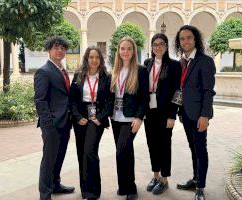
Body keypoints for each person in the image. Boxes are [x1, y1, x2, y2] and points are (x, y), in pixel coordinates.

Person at [174, 25, 216, 200]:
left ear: (195, 39)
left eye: (189, 37)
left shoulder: (205, 61)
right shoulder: (182, 62)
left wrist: (205, 115)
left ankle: (200, 187)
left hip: (199, 115)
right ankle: (195, 178)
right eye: (182, 38)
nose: (185, 41)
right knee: (193, 148)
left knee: (200, 149)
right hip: (186, 113)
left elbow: (208, 91)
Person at [34, 36, 75, 200]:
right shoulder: (44, 71)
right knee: (49, 159)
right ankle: (45, 194)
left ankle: (55, 184)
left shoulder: (62, 70)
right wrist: (48, 123)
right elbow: (39, 100)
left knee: (59, 156)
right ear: (49, 50)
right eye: (56, 47)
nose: (60, 50)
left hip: (65, 122)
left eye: (62, 48)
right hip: (52, 125)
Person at [108, 36, 149, 200]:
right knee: (125, 152)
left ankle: (131, 189)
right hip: (115, 118)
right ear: (118, 51)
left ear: (134, 51)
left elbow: (145, 97)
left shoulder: (140, 70)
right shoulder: (115, 70)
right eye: (122, 48)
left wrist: (139, 118)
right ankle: (123, 186)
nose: (125, 51)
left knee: (121, 151)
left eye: (129, 49)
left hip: (130, 118)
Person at [70, 46, 111, 200]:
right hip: (81, 116)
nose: (94, 60)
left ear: (100, 60)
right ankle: (85, 190)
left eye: (97, 57)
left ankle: (94, 190)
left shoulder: (106, 76)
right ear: (86, 59)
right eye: (91, 57)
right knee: (82, 153)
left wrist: (100, 117)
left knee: (90, 151)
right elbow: (72, 99)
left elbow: (109, 101)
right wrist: (77, 116)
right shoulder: (78, 75)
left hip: (97, 117)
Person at [143, 33, 181, 195]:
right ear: (151, 47)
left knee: (164, 145)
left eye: (161, 44)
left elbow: (179, 91)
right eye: (155, 44)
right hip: (149, 111)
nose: (158, 47)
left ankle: (164, 179)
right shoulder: (146, 63)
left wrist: (172, 115)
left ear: (166, 46)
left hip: (165, 112)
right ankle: (155, 175)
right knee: (152, 143)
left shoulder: (174, 65)